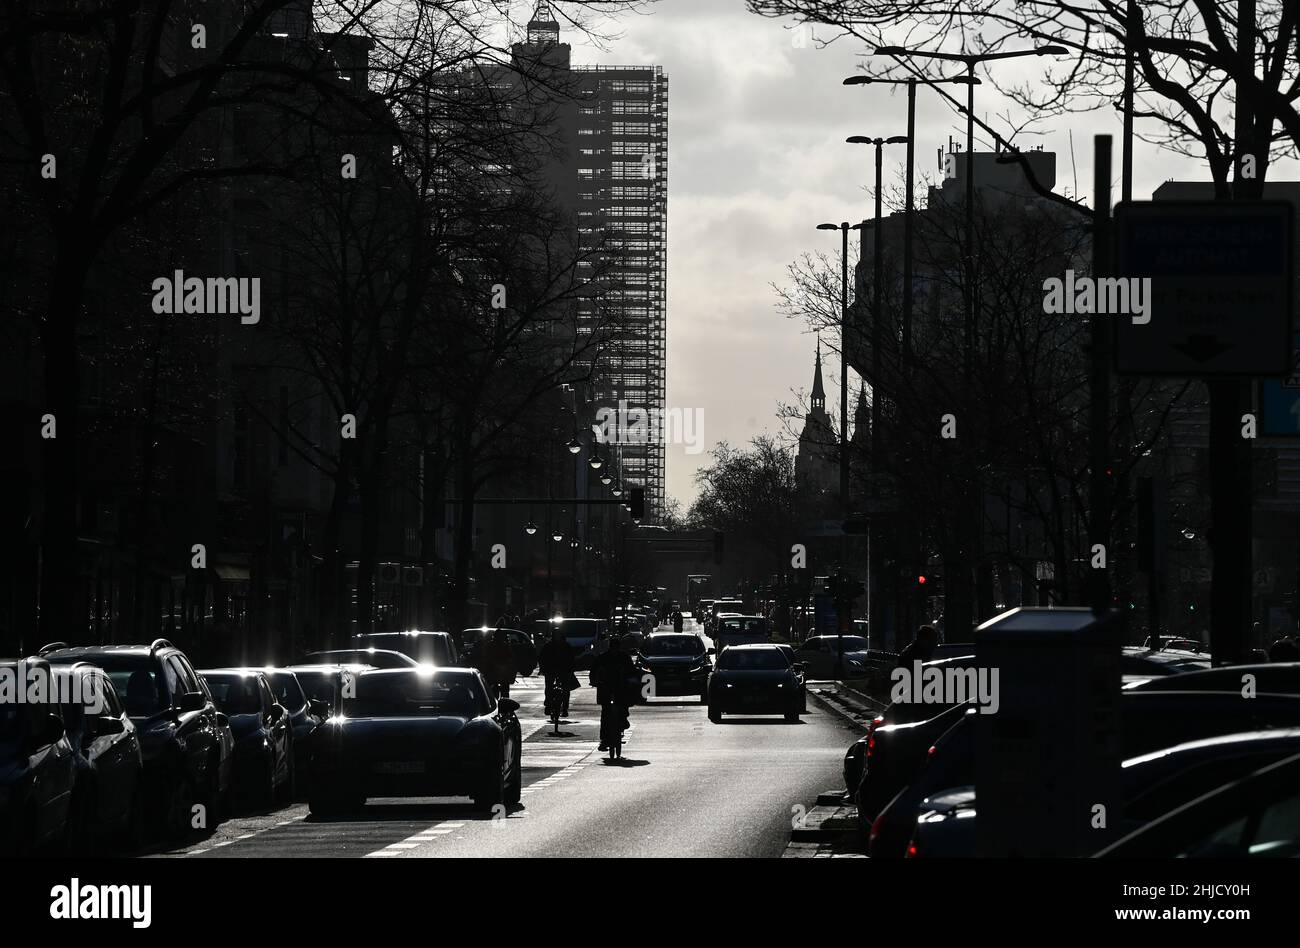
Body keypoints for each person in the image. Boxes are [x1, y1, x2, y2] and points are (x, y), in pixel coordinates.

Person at [590, 635, 637, 752]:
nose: (615, 650)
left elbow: (631, 672)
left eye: (616, 648)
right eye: (613, 648)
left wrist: (631, 681)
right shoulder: (604, 658)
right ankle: (604, 739)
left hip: (620, 688)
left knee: (622, 706)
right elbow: (594, 671)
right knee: (605, 713)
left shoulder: (623, 658)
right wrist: (595, 681)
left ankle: (623, 720)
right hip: (606, 688)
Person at [537, 629, 576, 718]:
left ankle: (565, 708)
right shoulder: (549, 646)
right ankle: (548, 704)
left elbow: (571, 659)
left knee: (566, 688)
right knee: (549, 686)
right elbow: (542, 658)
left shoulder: (566, 646)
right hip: (551, 670)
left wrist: (571, 669)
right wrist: (543, 668)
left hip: (563, 670)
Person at [483, 627, 518, 699]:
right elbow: (511, 657)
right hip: (497, 670)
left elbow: (485, 657)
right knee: (502, 689)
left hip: (497, 670)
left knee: (497, 689)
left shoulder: (491, 645)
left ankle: (497, 701)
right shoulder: (503, 645)